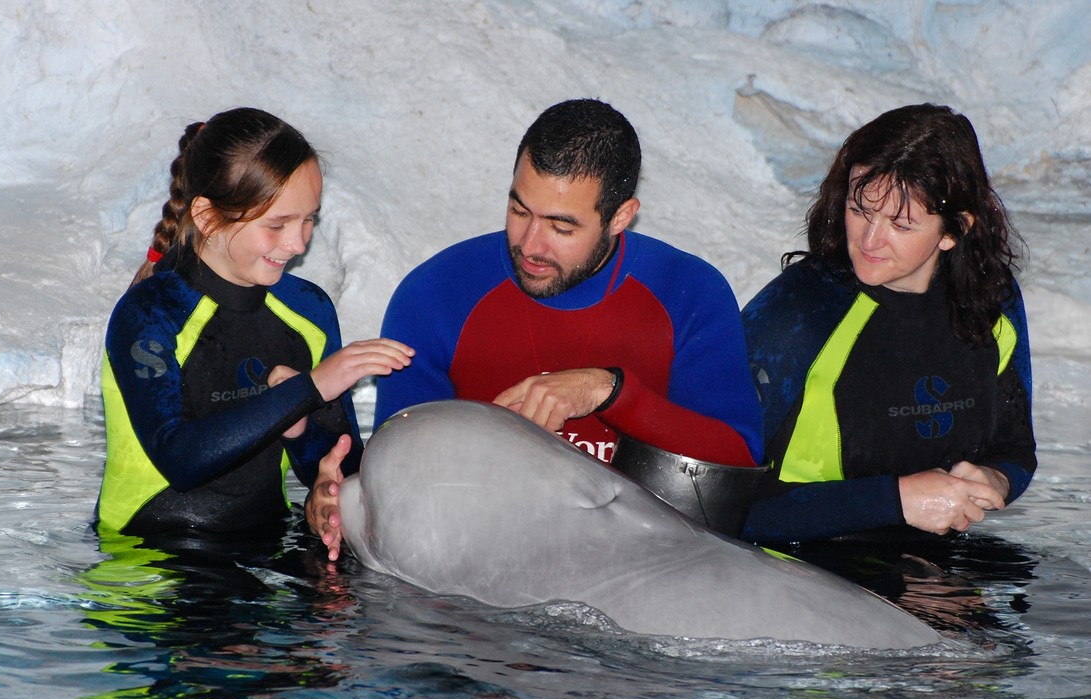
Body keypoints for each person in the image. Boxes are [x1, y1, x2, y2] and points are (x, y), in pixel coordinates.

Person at [307, 98, 764, 556]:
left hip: (640, 563)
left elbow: (738, 458)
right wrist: (344, 495)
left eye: (561, 227)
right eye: (519, 211)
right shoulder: (438, 294)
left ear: (621, 217)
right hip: (479, 560)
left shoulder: (687, 294)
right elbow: (401, 478)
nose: (530, 245)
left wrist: (610, 392)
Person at [97, 107, 413, 541]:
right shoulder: (151, 312)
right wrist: (307, 389)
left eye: (309, 219)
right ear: (207, 217)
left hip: (265, 538)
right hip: (148, 555)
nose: (298, 243)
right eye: (277, 224)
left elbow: (342, 462)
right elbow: (179, 458)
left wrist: (314, 463)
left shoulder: (308, 310)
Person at [740, 103, 1036, 547]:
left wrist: (996, 479)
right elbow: (706, 502)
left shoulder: (990, 300)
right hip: (792, 562)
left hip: (926, 559)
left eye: (901, 224)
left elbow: (1016, 450)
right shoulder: (800, 312)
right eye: (859, 210)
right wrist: (894, 501)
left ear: (953, 230)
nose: (870, 240)